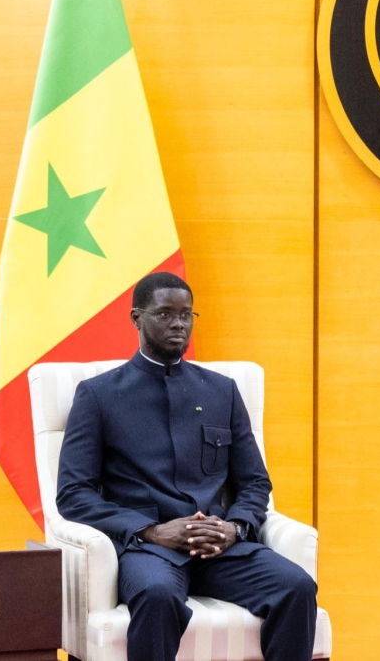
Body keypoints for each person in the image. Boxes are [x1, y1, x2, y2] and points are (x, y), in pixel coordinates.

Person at [56, 272, 317, 661]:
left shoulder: (222, 390)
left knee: (296, 586)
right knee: (157, 595)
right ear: (136, 318)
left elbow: (255, 482)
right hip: (149, 550)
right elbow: (73, 495)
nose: (178, 324)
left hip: (220, 547)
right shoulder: (98, 395)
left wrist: (235, 526)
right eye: (165, 314)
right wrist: (151, 530)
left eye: (186, 314)